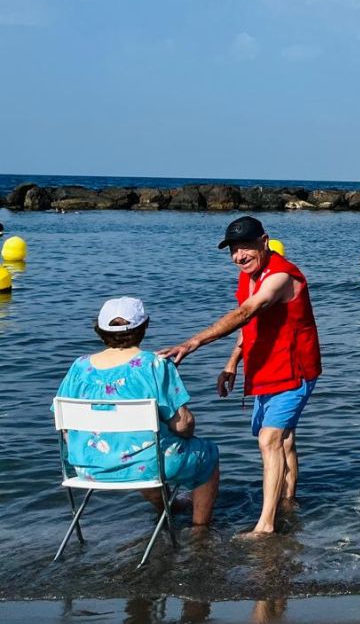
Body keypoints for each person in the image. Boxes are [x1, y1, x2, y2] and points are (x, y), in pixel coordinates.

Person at [160, 216, 321, 537]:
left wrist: (193, 342)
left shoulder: (280, 277)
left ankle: (266, 525)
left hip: (295, 369)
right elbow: (251, 325)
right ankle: (289, 499)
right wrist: (233, 362)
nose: (239, 256)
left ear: (265, 241)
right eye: (233, 250)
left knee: (269, 440)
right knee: (283, 438)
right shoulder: (249, 276)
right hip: (266, 367)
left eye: (245, 247)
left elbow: (244, 313)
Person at [57, 298, 220, 526]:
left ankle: (168, 509)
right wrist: (185, 432)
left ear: (100, 330)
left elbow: (64, 427)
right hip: (143, 465)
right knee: (207, 455)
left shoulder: (79, 367)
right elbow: (183, 424)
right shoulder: (154, 364)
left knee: (144, 449)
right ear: (145, 326)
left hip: (87, 466)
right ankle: (200, 532)